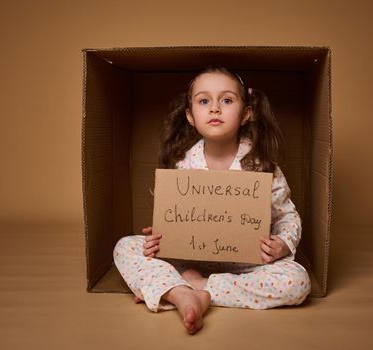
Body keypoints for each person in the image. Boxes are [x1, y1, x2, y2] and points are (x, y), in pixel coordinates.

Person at [113, 67, 311, 335]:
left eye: (227, 100)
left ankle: (190, 288)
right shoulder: (182, 165)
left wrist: (283, 244)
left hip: (248, 265)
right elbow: (174, 221)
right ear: (190, 116)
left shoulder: (263, 166)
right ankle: (182, 291)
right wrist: (159, 237)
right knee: (126, 246)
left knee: (297, 282)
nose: (215, 108)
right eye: (204, 101)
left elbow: (288, 216)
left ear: (246, 114)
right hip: (189, 259)